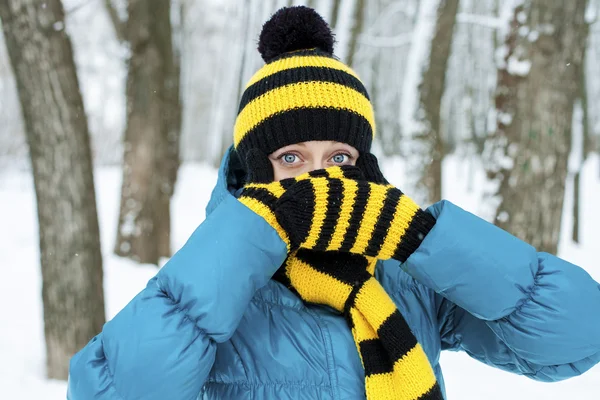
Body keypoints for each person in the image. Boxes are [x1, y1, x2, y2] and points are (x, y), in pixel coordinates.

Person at [67, 6, 600, 400]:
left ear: (363, 166)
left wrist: (420, 238)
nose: (321, 180)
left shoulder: (406, 275)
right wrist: (255, 233)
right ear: (258, 169)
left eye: (339, 158)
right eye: (292, 158)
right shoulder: (224, 278)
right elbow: (108, 390)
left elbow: (575, 335)